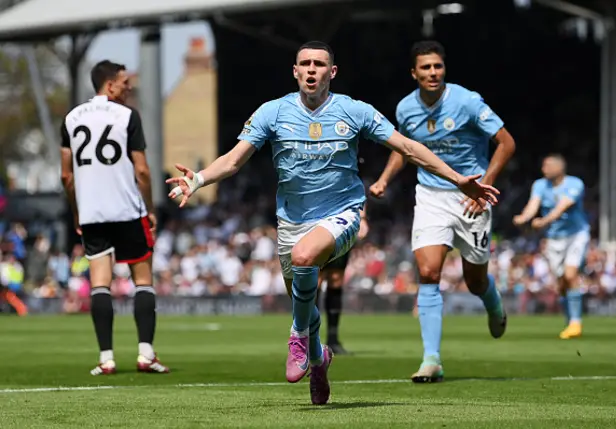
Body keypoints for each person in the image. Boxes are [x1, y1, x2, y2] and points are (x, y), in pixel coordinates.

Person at [166, 41, 500, 404]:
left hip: (343, 213)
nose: (312, 70)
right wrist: (197, 179)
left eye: (319, 64)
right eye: (305, 64)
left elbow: (406, 147)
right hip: (291, 220)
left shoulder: (353, 111)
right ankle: (318, 358)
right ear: (295, 71)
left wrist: (457, 178)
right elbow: (233, 161)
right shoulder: (272, 113)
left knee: (305, 258)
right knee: (304, 297)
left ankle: (296, 335)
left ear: (332, 72)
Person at [369, 40, 516, 383]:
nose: (433, 73)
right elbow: (404, 149)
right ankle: (431, 359)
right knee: (429, 272)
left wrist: (484, 186)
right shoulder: (406, 108)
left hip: (471, 197)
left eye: (437, 66)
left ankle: (493, 303)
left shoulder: (466, 101)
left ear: (444, 68)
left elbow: (506, 142)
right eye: (425, 68)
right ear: (414, 73)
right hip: (432, 196)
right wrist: (384, 179)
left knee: (474, 280)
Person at [60, 60, 169, 375]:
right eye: (124, 82)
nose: (129, 87)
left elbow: (66, 176)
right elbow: (143, 170)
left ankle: (106, 358)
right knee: (143, 279)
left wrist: (77, 210)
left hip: (92, 211)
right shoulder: (127, 116)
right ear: (109, 85)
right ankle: (145, 354)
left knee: (100, 283)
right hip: (126, 208)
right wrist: (149, 208)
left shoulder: (70, 118)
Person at [513, 154, 590, 339]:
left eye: (547, 166)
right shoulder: (539, 185)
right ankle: (570, 319)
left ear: (559, 168)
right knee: (561, 283)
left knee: (571, 275)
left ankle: (575, 323)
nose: (543, 169)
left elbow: (563, 206)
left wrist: (544, 221)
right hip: (554, 239)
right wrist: (524, 218)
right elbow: (533, 205)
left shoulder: (574, 184)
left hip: (576, 235)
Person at [317, 203, 369, 355]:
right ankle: (308, 339)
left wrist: (363, 217)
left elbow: (354, 185)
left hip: (341, 223)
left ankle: (333, 339)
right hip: (316, 220)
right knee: (316, 279)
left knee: (336, 278)